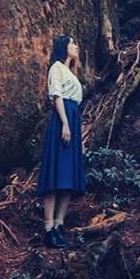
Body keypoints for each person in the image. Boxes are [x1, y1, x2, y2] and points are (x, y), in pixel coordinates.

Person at [37, 33, 87, 247]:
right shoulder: (56, 68)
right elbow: (57, 96)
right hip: (62, 119)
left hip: (73, 118)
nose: (76, 46)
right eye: (72, 43)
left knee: (68, 179)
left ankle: (59, 226)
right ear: (63, 47)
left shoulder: (71, 73)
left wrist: (76, 130)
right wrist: (65, 123)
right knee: (55, 174)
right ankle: (48, 229)